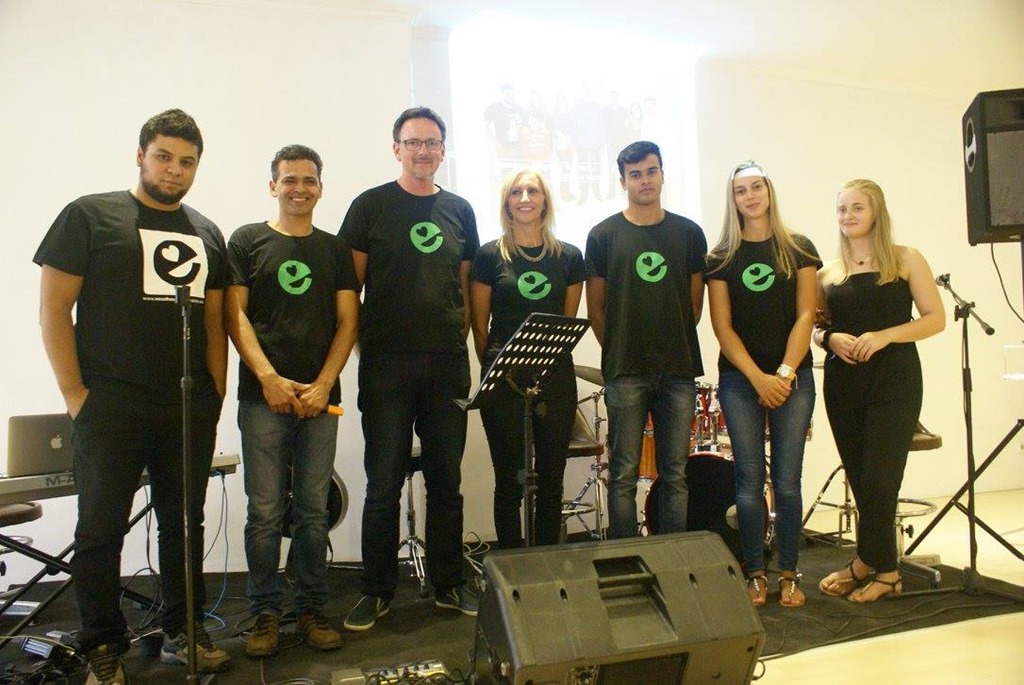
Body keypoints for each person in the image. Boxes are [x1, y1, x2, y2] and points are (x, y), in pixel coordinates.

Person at [34, 109, 231, 684]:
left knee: (184, 524)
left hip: (187, 406)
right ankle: (102, 644)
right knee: (100, 530)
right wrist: (76, 395)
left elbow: (215, 322)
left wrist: (215, 395)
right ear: (141, 155)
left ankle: (183, 630)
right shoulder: (89, 215)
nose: (174, 170)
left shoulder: (207, 232)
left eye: (187, 161)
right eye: (164, 156)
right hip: (110, 405)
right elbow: (54, 309)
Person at [338, 107, 480, 631]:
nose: (423, 151)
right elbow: (348, 291)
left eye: (432, 142)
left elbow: (463, 289)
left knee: (447, 483)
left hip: (446, 367)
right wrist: (366, 352)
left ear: (443, 150)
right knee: (383, 484)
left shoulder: (460, 210)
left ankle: (448, 583)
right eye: (413, 142)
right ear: (396, 148)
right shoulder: (369, 206)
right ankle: (376, 591)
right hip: (386, 367)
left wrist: (455, 342)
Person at [225, 145, 359, 656]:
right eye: (289, 180)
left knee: (312, 511)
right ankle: (264, 614)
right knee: (264, 512)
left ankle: (311, 610)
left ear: (320, 188)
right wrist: (269, 378)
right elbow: (234, 316)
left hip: (321, 401)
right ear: (272, 186)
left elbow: (348, 321)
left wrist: (323, 384)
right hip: (263, 399)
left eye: (308, 180)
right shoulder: (247, 241)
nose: (299, 188)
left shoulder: (335, 249)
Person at [816, 179, 945, 603]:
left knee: (880, 479)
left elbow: (935, 318)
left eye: (858, 207)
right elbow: (815, 326)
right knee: (859, 477)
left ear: (877, 212)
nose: (848, 215)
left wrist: (886, 335)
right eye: (842, 208)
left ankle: (887, 573)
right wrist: (829, 339)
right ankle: (866, 561)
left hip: (895, 379)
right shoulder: (828, 273)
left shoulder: (906, 259)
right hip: (843, 382)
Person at [706, 161, 821, 608]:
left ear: (769, 191)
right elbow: (723, 327)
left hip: (795, 379)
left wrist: (785, 374)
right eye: (741, 190)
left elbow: (807, 315)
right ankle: (755, 573)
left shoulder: (799, 248)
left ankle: (789, 574)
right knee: (749, 482)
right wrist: (759, 379)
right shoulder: (721, 257)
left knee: (787, 483)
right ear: (732, 199)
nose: (750, 196)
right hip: (741, 382)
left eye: (757, 187)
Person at [585, 140, 707, 539]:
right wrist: (620, 349)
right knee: (623, 473)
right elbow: (597, 309)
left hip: (678, 370)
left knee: (675, 473)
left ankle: (672, 558)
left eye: (651, 171)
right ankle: (624, 556)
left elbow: (693, 306)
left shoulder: (689, 233)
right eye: (635, 174)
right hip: (625, 371)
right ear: (623, 181)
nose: (645, 180)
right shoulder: (603, 235)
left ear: (662, 175)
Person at [470, 168, 585, 548]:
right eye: (516, 192)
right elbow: (480, 326)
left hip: (555, 378)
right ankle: (510, 564)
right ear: (506, 203)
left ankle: (546, 560)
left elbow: (566, 322)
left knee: (552, 479)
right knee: (509, 480)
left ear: (545, 200)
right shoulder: (488, 256)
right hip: (503, 380)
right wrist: (496, 367)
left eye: (532, 191)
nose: (524, 198)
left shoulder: (569, 257)